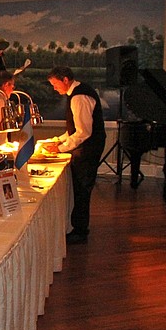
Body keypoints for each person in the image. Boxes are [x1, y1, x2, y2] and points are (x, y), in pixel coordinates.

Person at [43, 66, 106, 244]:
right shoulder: (76, 94)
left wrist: (60, 149)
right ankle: (77, 226)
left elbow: (83, 132)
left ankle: (80, 231)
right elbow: (73, 130)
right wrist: (58, 140)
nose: (54, 88)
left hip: (88, 149)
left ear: (65, 80)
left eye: (55, 84)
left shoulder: (79, 97)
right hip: (86, 146)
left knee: (82, 188)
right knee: (79, 187)